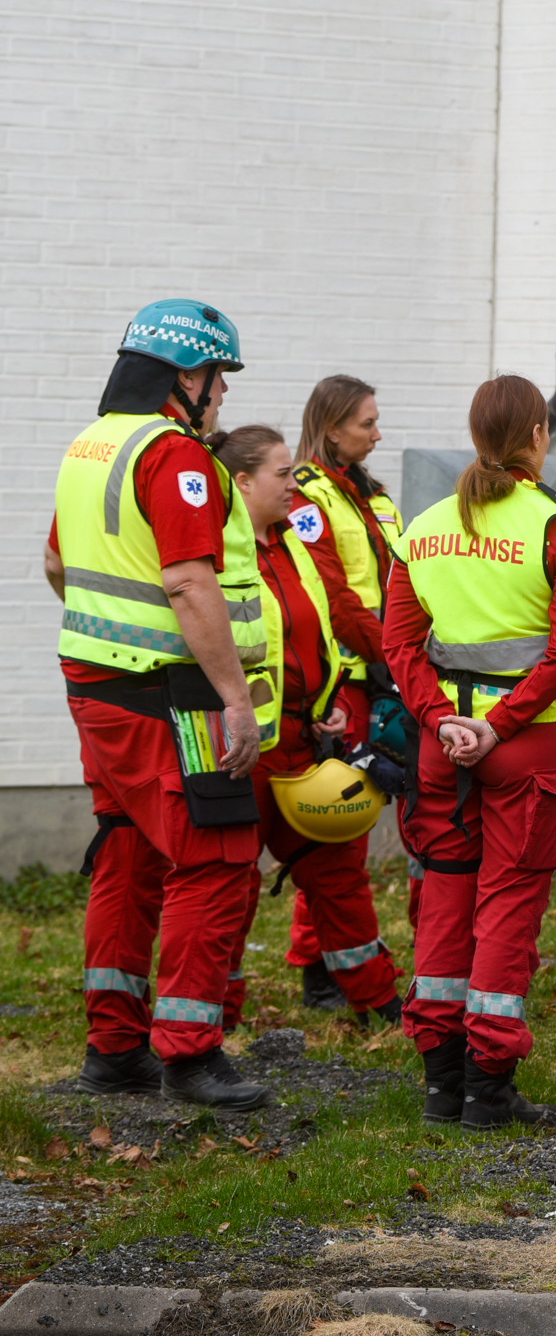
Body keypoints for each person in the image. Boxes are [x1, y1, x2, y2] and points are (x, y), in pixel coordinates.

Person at [47, 299, 275, 1109]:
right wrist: (234, 701)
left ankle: (114, 1048)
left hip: (95, 685)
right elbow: (187, 581)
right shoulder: (173, 455)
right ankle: (189, 1050)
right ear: (187, 374)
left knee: (129, 851)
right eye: (219, 379)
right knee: (215, 858)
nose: (222, 397)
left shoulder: (91, 444)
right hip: (167, 693)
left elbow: (55, 562)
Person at [386, 375, 556, 1130]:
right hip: (524, 746)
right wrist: (499, 727)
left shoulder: (424, 527)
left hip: (443, 747)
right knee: (506, 904)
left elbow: (399, 645)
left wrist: (443, 721)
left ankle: (442, 1084)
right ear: (539, 434)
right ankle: (489, 1089)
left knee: (442, 899)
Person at [206, 425, 405, 1031]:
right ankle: (219, 1016)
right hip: (241, 750)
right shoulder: (217, 551)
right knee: (231, 889)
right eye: (282, 473)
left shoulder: (293, 542)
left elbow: (327, 620)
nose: (294, 484)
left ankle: (377, 1001)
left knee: (340, 870)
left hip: (306, 740)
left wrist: (336, 699)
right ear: (242, 483)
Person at [281, 376, 409, 1014]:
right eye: (367, 423)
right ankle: (323, 972)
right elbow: (331, 595)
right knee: (340, 818)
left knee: (344, 820)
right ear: (333, 429)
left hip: (382, 668)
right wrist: (395, 654)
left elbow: (401, 581)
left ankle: (321, 964)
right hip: (350, 677)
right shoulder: (306, 496)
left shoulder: (373, 495)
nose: (378, 433)